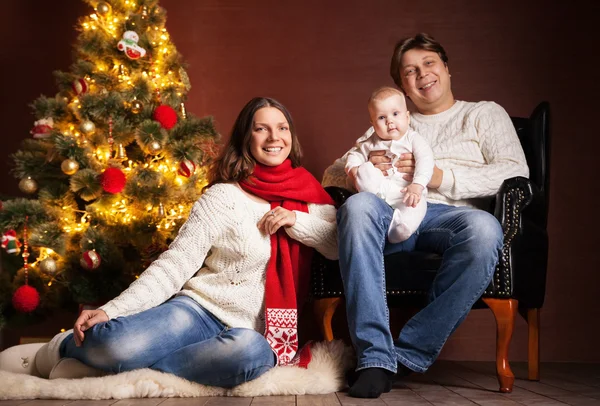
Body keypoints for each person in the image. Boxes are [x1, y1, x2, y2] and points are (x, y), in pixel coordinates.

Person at [0, 97, 338, 387]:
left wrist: (296, 221)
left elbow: (337, 245)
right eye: (261, 128)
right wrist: (110, 310)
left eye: (282, 128)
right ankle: (57, 350)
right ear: (246, 137)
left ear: (291, 136)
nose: (273, 137)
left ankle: (122, 371)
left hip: (247, 333)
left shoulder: (310, 199)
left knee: (250, 354)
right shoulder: (223, 198)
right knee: (116, 346)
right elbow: (174, 266)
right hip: (197, 312)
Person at [322, 33, 529, 398]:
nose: (422, 75)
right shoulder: (391, 120)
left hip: (449, 219)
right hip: (392, 214)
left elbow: (515, 172)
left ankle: (403, 356)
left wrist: (439, 178)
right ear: (401, 86)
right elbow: (331, 173)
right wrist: (363, 166)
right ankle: (373, 358)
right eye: (410, 71)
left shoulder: (483, 114)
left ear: (446, 68)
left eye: (429, 64)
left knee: (485, 230)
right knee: (356, 206)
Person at [345, 86, 434, 243]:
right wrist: (353, 170)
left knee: (417, 207)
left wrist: (417, 186)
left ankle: (400, 230)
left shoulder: (413, 139)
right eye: (381, 117)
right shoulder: (369, 143)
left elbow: (425, 161)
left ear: (407, 117)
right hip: (376, 196)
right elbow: (354, 156)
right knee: (364, 169)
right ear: (372, 123)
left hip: (406, 194)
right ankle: (375, 194)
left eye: (395, 114)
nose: (389, 121)